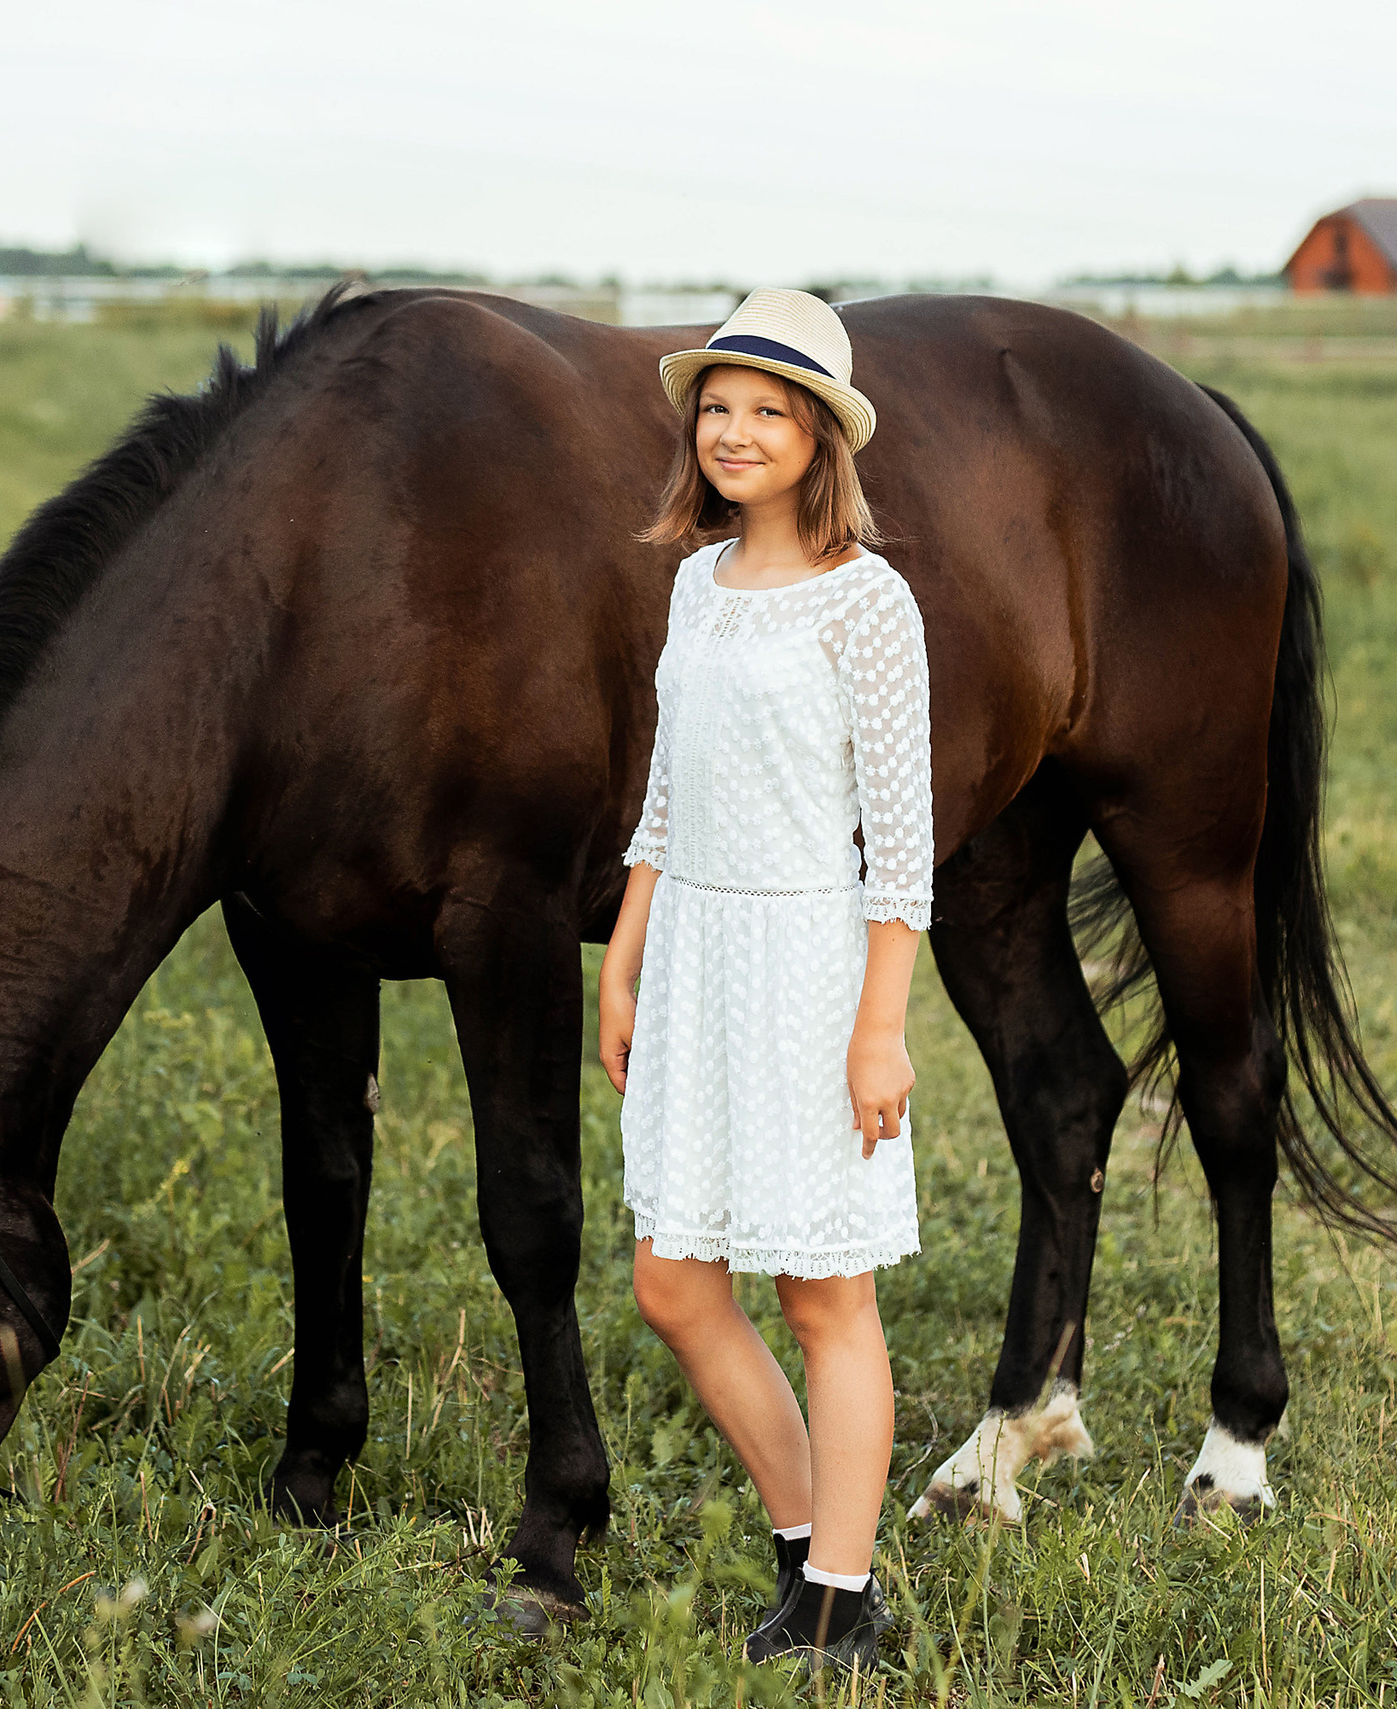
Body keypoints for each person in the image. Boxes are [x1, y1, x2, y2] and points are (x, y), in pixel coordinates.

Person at [599, 287, 933, 1673]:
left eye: (768, 412)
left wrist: (879, 1027)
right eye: (718, 408)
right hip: (691, 961)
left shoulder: (869, 603)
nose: (735, 432)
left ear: (819, 439)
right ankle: (807, 1543)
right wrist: (621, 966)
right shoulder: (697, 582)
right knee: (673, 1281)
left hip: (808, 961)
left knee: (822, 1293)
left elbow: (903, 844)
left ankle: (844, 1605)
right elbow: (666, 800)